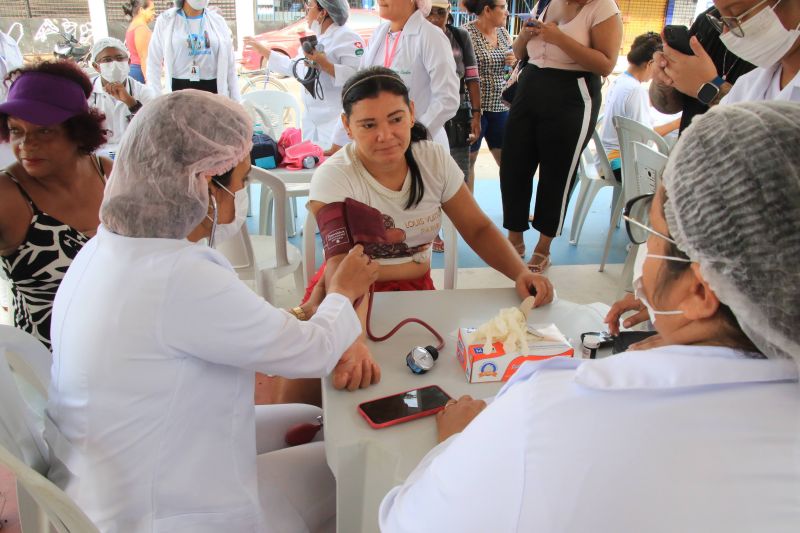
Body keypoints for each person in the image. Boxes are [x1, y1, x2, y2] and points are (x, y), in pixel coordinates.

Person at [379, 100, 800, 533]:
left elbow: (408, 521)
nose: (644, 260)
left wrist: (459, 445)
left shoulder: (548, 413)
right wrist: (679, 333)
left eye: (651, 237)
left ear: (698, 290)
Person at [45, 89, 379, 532]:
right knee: (356, 465)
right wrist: (342, 290)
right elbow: (313, 355)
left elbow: (219, 331)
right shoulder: (179, 274)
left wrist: (310, 310)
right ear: (202, 182)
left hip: (114, 476)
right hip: (161, 512)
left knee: (310, 421)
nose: (241, 195)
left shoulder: (107, 248)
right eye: (240, 181)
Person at [306, 67, 553, 391]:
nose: (385, 135)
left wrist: (520, 273)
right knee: (325, 381)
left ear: (411, 113)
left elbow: (476, 227)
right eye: (368, 125)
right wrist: (351, 338)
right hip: (345, 290)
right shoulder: (333, 176)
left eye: (395, 119)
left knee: (422, 378)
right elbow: (339, 266)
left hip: (414, 289)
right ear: (347, 126)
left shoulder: (433, 160)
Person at [501, 0, 622, 272]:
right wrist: (525, 35)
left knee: (557, 174)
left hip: (572, 95)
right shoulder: (545, 2)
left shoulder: (602, 8)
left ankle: (543, 248)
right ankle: (515, 239)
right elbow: (520, 52)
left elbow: (605, 64)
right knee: (513, 167)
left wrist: (559, 38)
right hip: (530, 86)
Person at [0, 60, 111, 350]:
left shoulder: (108, 175)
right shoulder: (8, 195)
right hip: (48, 366)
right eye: (16, 130)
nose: (26, 144)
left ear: (78, 131)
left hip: (120, 346)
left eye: (44, 131)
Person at [327, 0, 460, 152]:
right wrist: (338, 142)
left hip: (422, 146)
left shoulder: (430, 36)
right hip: (383, 145)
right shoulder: (379, 34)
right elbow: (357, 91)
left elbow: (447, 98)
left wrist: (414, 134)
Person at [243, 0, 364, 147]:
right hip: (312, 123)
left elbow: (358, 79)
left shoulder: (348, 38)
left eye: (310, 6)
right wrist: (264, 51)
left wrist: (325, 65)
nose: (306, 11)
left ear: (323, 12)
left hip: (336, 124)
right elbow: (294, 67)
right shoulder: (316, 39)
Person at [426, 1, 480, 253]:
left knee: (457, 173)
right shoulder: (415, 37)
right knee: (428, 173)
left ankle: (459, 226)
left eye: (441, 12)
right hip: (424, 113)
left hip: (457, 112)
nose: (436, 18)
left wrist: (476, 115)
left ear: (449, 13)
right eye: (431, 12)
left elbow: (471, 76)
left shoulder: (459, 36)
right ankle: (431, 229)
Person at [649, 5, 754, 133]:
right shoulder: (709, 20)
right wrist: (663, 80)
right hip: (690, 147)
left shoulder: (777, 47)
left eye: (737, 12)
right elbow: (667, 106)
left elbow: (764, 128)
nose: (725, 30)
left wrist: (709, 87)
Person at [599, 32, 680, 181]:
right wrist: (677, 123)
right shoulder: (636, 90)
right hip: (620, 163)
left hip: (606, 157)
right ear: (650, 63)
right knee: (670, 178)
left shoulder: (620, 81)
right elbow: (647, 136)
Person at [462, 0, 513, 191]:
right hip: (474, 108)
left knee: (508, 162)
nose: (507, 12)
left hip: (500, 108)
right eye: (503, 7)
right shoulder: (465, 33)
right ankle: (468, 214)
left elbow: (510, 73)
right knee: (469, 161)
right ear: (487, 10)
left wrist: (513, 61)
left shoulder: (504, 34)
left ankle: (514, 213)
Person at [147, 0, 240, 100]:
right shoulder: (166, 20)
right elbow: (153, 63)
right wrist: (156, 99)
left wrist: (236, 101)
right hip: (179, 95)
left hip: (213, 94)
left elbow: (230, 68)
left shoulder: (218, 21)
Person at [88, 37, 157, 155]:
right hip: (96, 155)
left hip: (133, 153)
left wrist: (131, 103)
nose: (114, 64)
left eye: (119, 58)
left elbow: (154, 127)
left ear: (129, 62)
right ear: (96, 67)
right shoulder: (86, 92)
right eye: (107, 60)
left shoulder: (144, 92)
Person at [123, 0, 156, 83]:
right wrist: (148, 81)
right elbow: (144, 57)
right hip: (140, 73)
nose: (154, 13)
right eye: (151, 10)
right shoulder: (141, 28)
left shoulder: (133, 26)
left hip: (136, 71)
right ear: (141, 10)